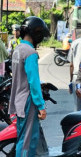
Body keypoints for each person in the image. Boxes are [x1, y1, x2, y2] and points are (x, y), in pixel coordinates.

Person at [8, 16, 50, 157]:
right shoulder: (30, 53)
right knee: (28, 142)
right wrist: (41, 106)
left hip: (18, 100)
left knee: (22, 138)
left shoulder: (18, 49)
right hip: (28, 101)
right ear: (36, 34)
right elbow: (33, 82)